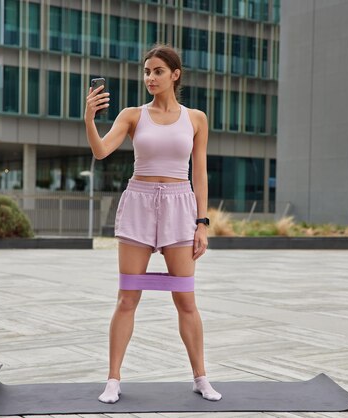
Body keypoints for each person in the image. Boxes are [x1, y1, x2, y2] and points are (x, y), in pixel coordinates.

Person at [84, 44, 221, 404]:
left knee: (186, 301)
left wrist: (202, 223)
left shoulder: (196, 118)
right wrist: (89, 119)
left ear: (175, 75)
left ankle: (200, 377)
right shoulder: (132, 115)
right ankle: (113, 379)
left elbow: (200, 174)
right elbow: (101, 151)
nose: (150, 78)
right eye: (147, 71)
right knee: (127, 298)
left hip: (180, 206)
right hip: (139, 206)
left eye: (158, 71)